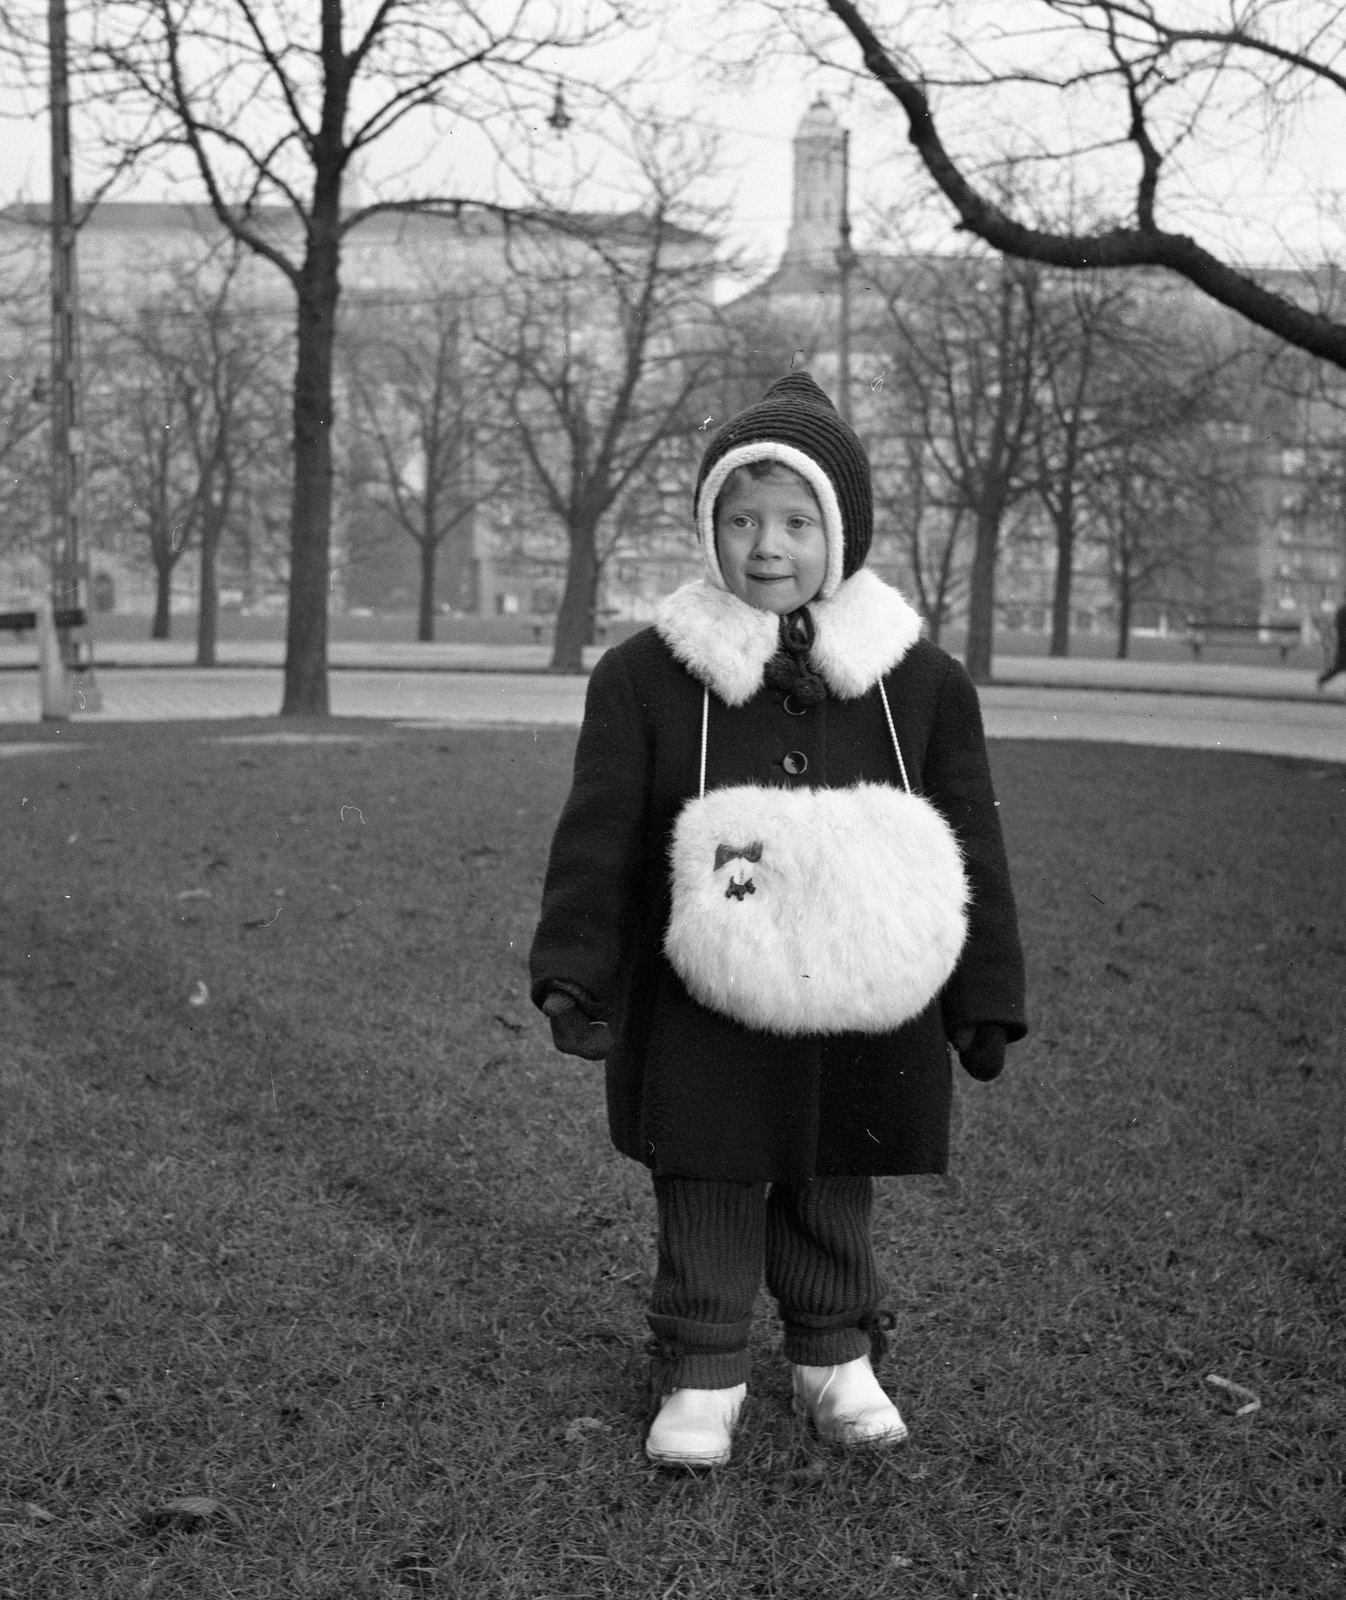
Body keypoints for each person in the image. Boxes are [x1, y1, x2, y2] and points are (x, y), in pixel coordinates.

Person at [529, 372, 1027, 1469]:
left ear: (838, 534)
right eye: (741, 517)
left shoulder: (920, 683)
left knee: (828, 1168)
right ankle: (701, 1367)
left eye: (796, 521)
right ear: (709, 530)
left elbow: (970, 841)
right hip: (703, 988)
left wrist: (984, 993)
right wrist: (577, 966)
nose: (768, 545)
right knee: (704, 1170)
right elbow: (600, 830)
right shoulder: (644, 677)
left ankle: (832, 1357)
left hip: (860, 988)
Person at [1318, 596, 1346, 689]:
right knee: (1337, 668)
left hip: (1342, 644)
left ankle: (1322, 679)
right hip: (1344, 645)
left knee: (1337, 668)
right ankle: (1322, 679)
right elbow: (1341, 629)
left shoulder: (1341, 611)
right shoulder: (1342, 611)